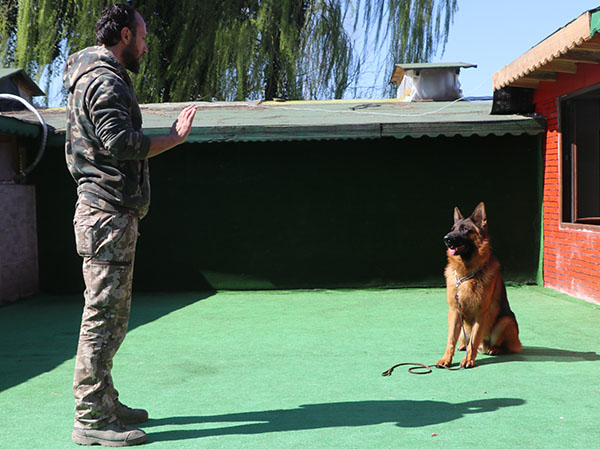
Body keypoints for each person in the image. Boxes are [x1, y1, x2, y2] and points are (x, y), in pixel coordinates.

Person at [63, 4, 198, 446]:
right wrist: (174, 139)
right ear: (124, 35)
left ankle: (104, 401)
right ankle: (91, 420)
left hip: (109, 213)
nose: (145, 44)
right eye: (141, 36)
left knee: (114, 318)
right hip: (106, 214)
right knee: (102, 318)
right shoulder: (104, 80)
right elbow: (119, 142)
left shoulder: (96, 73)